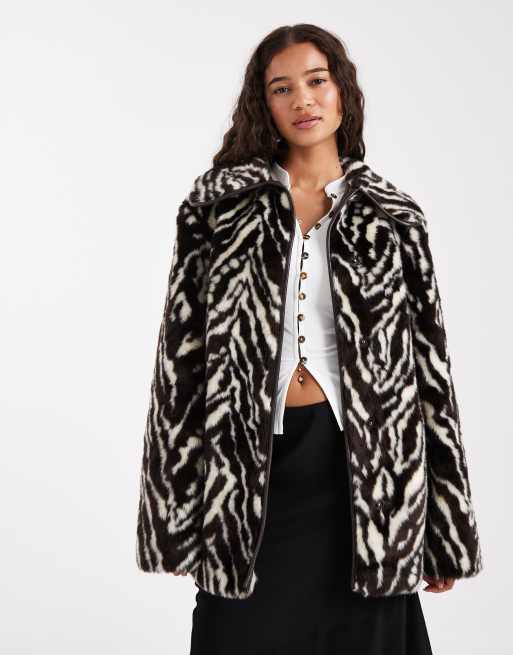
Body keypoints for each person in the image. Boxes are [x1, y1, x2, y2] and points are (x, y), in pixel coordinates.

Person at [135, 23, 483, 654]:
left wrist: (445, 531)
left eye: (316, 81)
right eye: (282, 88)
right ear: (263, 104)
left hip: (365, 478)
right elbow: (179, 365)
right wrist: (175, 519)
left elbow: (431, 376)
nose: (303, 100)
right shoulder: (218, 210)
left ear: (342, 90)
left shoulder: (393, 217)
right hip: (248, 470)